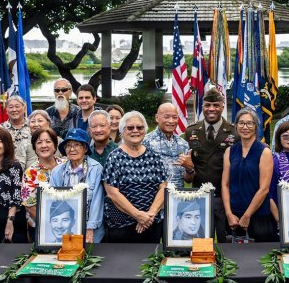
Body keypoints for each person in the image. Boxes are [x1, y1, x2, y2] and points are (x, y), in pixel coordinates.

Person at [103, 111, 167, 243]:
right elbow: (112, 193)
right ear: (122, 131)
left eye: (140, 127)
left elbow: (163, 187)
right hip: (122, 227)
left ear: (145, 130)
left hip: (151, 224)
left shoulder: (154, 157)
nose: (135, 131)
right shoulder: (114, 157)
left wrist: (150, 215)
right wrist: (137, 215)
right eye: (130, 128)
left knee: (150, 262)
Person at [183, 88, 237, 242]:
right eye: (207, 105)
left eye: (215, 105)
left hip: (224, 198)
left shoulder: (234, 133)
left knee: (225, 241)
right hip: (198, 197)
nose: (211, 109)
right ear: (202, 107)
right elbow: (187, 173)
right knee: (200, 242)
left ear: (222, 106)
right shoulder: (191, 132)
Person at [222, 108, 277, 242]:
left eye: (249, 123)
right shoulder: (230, 151)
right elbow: (225, 184)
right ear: (236, 126)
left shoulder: (264, 152)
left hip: (258, 217)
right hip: (233, 218)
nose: (245, 127)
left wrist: (247, 216)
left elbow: (264, 189)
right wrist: (229, 214)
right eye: (241, 123)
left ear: (256, 127)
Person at [50, 128, 105, 243]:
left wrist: (90, 228)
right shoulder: (57, 172)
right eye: (68, 145)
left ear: (85, 148)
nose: (72, 149)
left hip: (90, 229)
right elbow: (53, 202)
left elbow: (97, 201)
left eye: (77, 145)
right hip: (66, 229)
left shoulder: (96, 169)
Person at [22, 128, 60, 240]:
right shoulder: (30, 173)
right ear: (34, 148)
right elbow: (30, 206)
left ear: (54, 145)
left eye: (48, 141)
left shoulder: (65, 166)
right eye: (39, 142)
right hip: (41, 227)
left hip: (67, 224)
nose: (44, 145)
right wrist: (49, 226)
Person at [143, 103, 193, 188]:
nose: (171, 121)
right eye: (166, 117)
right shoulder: (145, 142)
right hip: (155, 197)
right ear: (157, 118)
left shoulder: (183, 144)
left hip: (177, 198)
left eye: (174, 117)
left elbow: (188, 180)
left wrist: (189, 169)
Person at [1, 96, 38, 169]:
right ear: (6, 110)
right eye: (10, 107)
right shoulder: (1, 129)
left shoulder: (33, 126)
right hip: (7, 169)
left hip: (32, 169)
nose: (14, 110)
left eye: (17, 106)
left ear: (24, 108)